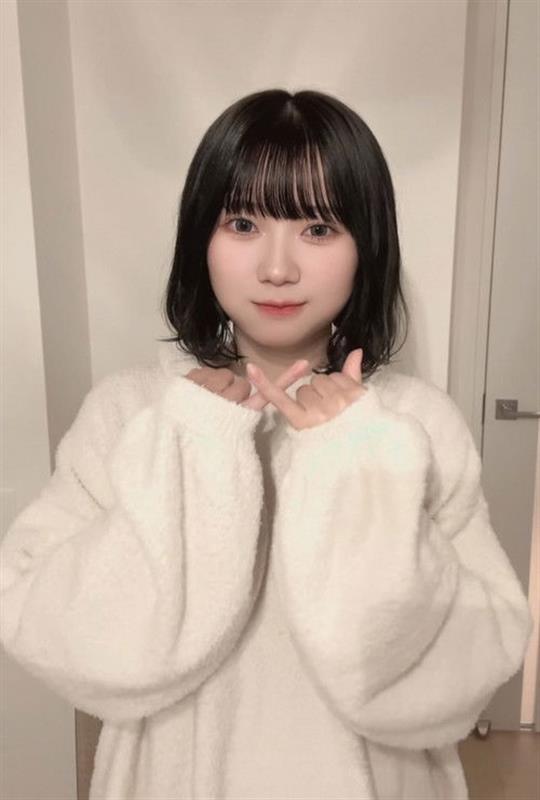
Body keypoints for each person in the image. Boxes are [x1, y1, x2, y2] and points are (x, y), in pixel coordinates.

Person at [0, 88, 533, 800]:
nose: (277, 268)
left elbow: (475, 658)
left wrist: (355, 457)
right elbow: (40, 620)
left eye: (318, 227)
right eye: (244, 222)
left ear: (365, 246)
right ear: (202, 237)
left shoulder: (413, 424)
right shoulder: (133, 413)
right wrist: (191, 445)